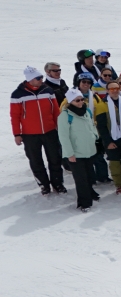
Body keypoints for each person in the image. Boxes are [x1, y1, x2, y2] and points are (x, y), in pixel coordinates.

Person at [11, 65, 65, 195]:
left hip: (50, 131)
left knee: (55, 159)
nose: (41, 80)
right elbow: (15, 116)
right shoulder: (18, 94)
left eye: (41, 77)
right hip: (30, 134)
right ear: (30, 79)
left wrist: (59, 127)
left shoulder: (48, 90)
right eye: (38, 78)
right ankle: (44, 184)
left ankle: (57, 184)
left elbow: (55, 111)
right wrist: (17, 134)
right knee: (36, 161)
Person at [57, 88, 100, 212]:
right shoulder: (65, 116)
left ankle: (90, 192)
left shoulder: (86, 111)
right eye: (77, 101)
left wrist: (95, 136)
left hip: (89, 150)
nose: (80, 102)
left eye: (82, 99)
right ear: (70, 102)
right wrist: (69, 154)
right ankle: (84, 203)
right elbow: (63, 137)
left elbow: (91, 125)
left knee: (89, 175)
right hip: (75, 153)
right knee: (80, 179)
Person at [95, 78, 121, 195]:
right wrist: (108, 142)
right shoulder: (102, 105)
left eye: (116, 88)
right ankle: (120, 184)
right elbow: (101, 127)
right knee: (115, 163)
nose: (115, 91)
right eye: (112, 89)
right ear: (107, 90)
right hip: (111, 139)